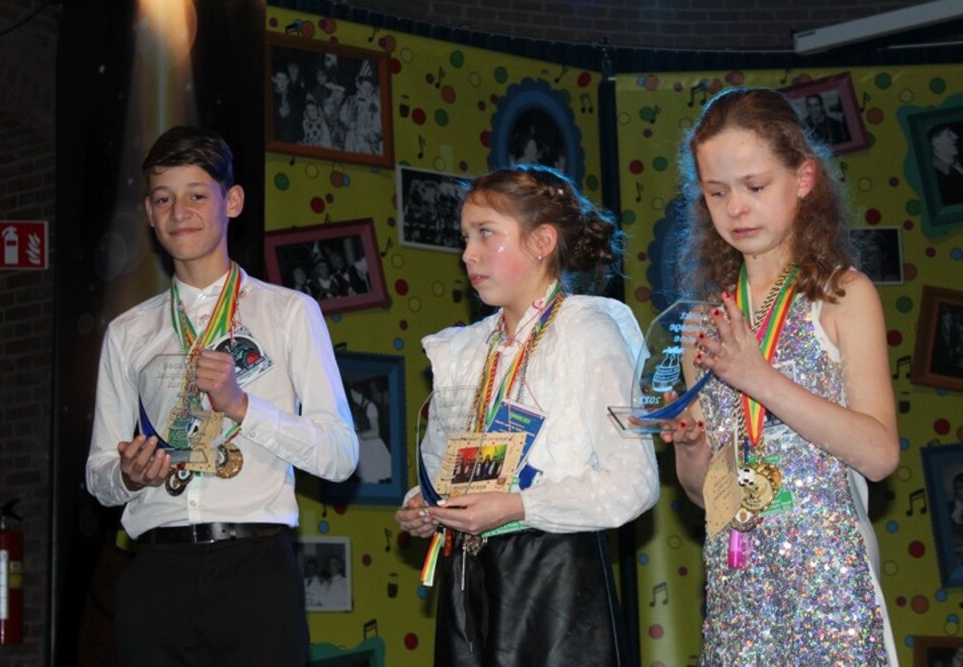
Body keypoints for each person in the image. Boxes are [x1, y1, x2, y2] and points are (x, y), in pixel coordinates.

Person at [85, 126, 359, 667]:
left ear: (231, 202)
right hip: (156, 572)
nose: (179, 212)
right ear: (149, 212)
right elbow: (99, 475)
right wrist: (129, 475)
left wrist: (242, 407)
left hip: (254, 570)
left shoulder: (288, 312)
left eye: (196, 194)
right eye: (163, 199)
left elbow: (341, 455)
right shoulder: (128, 332)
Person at [667, 88, 899, 664]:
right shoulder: (703, 326)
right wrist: (691, 449)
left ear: (803, 179)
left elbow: (879, 455)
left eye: (755, 186)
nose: (736, 208)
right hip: (738, 595)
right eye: (717, 192)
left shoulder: (843, 295)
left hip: (832, 591)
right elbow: (703, 495)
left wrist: (757, 376)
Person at [395, 164, 660, 665]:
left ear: (542, 242)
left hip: (552, 580)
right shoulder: (465, 350)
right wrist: (426, 504)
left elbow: (634, 483)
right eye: (465, 238)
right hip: (468, 577)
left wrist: (518, 506)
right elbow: (443, 466)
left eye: (486, 233)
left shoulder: (586, 332)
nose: (468, 254)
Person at [929, 123, 963, 207]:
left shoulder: (960, 159)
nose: (955, 137)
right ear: (935, 141)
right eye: (948, 133)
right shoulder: (935, 180)